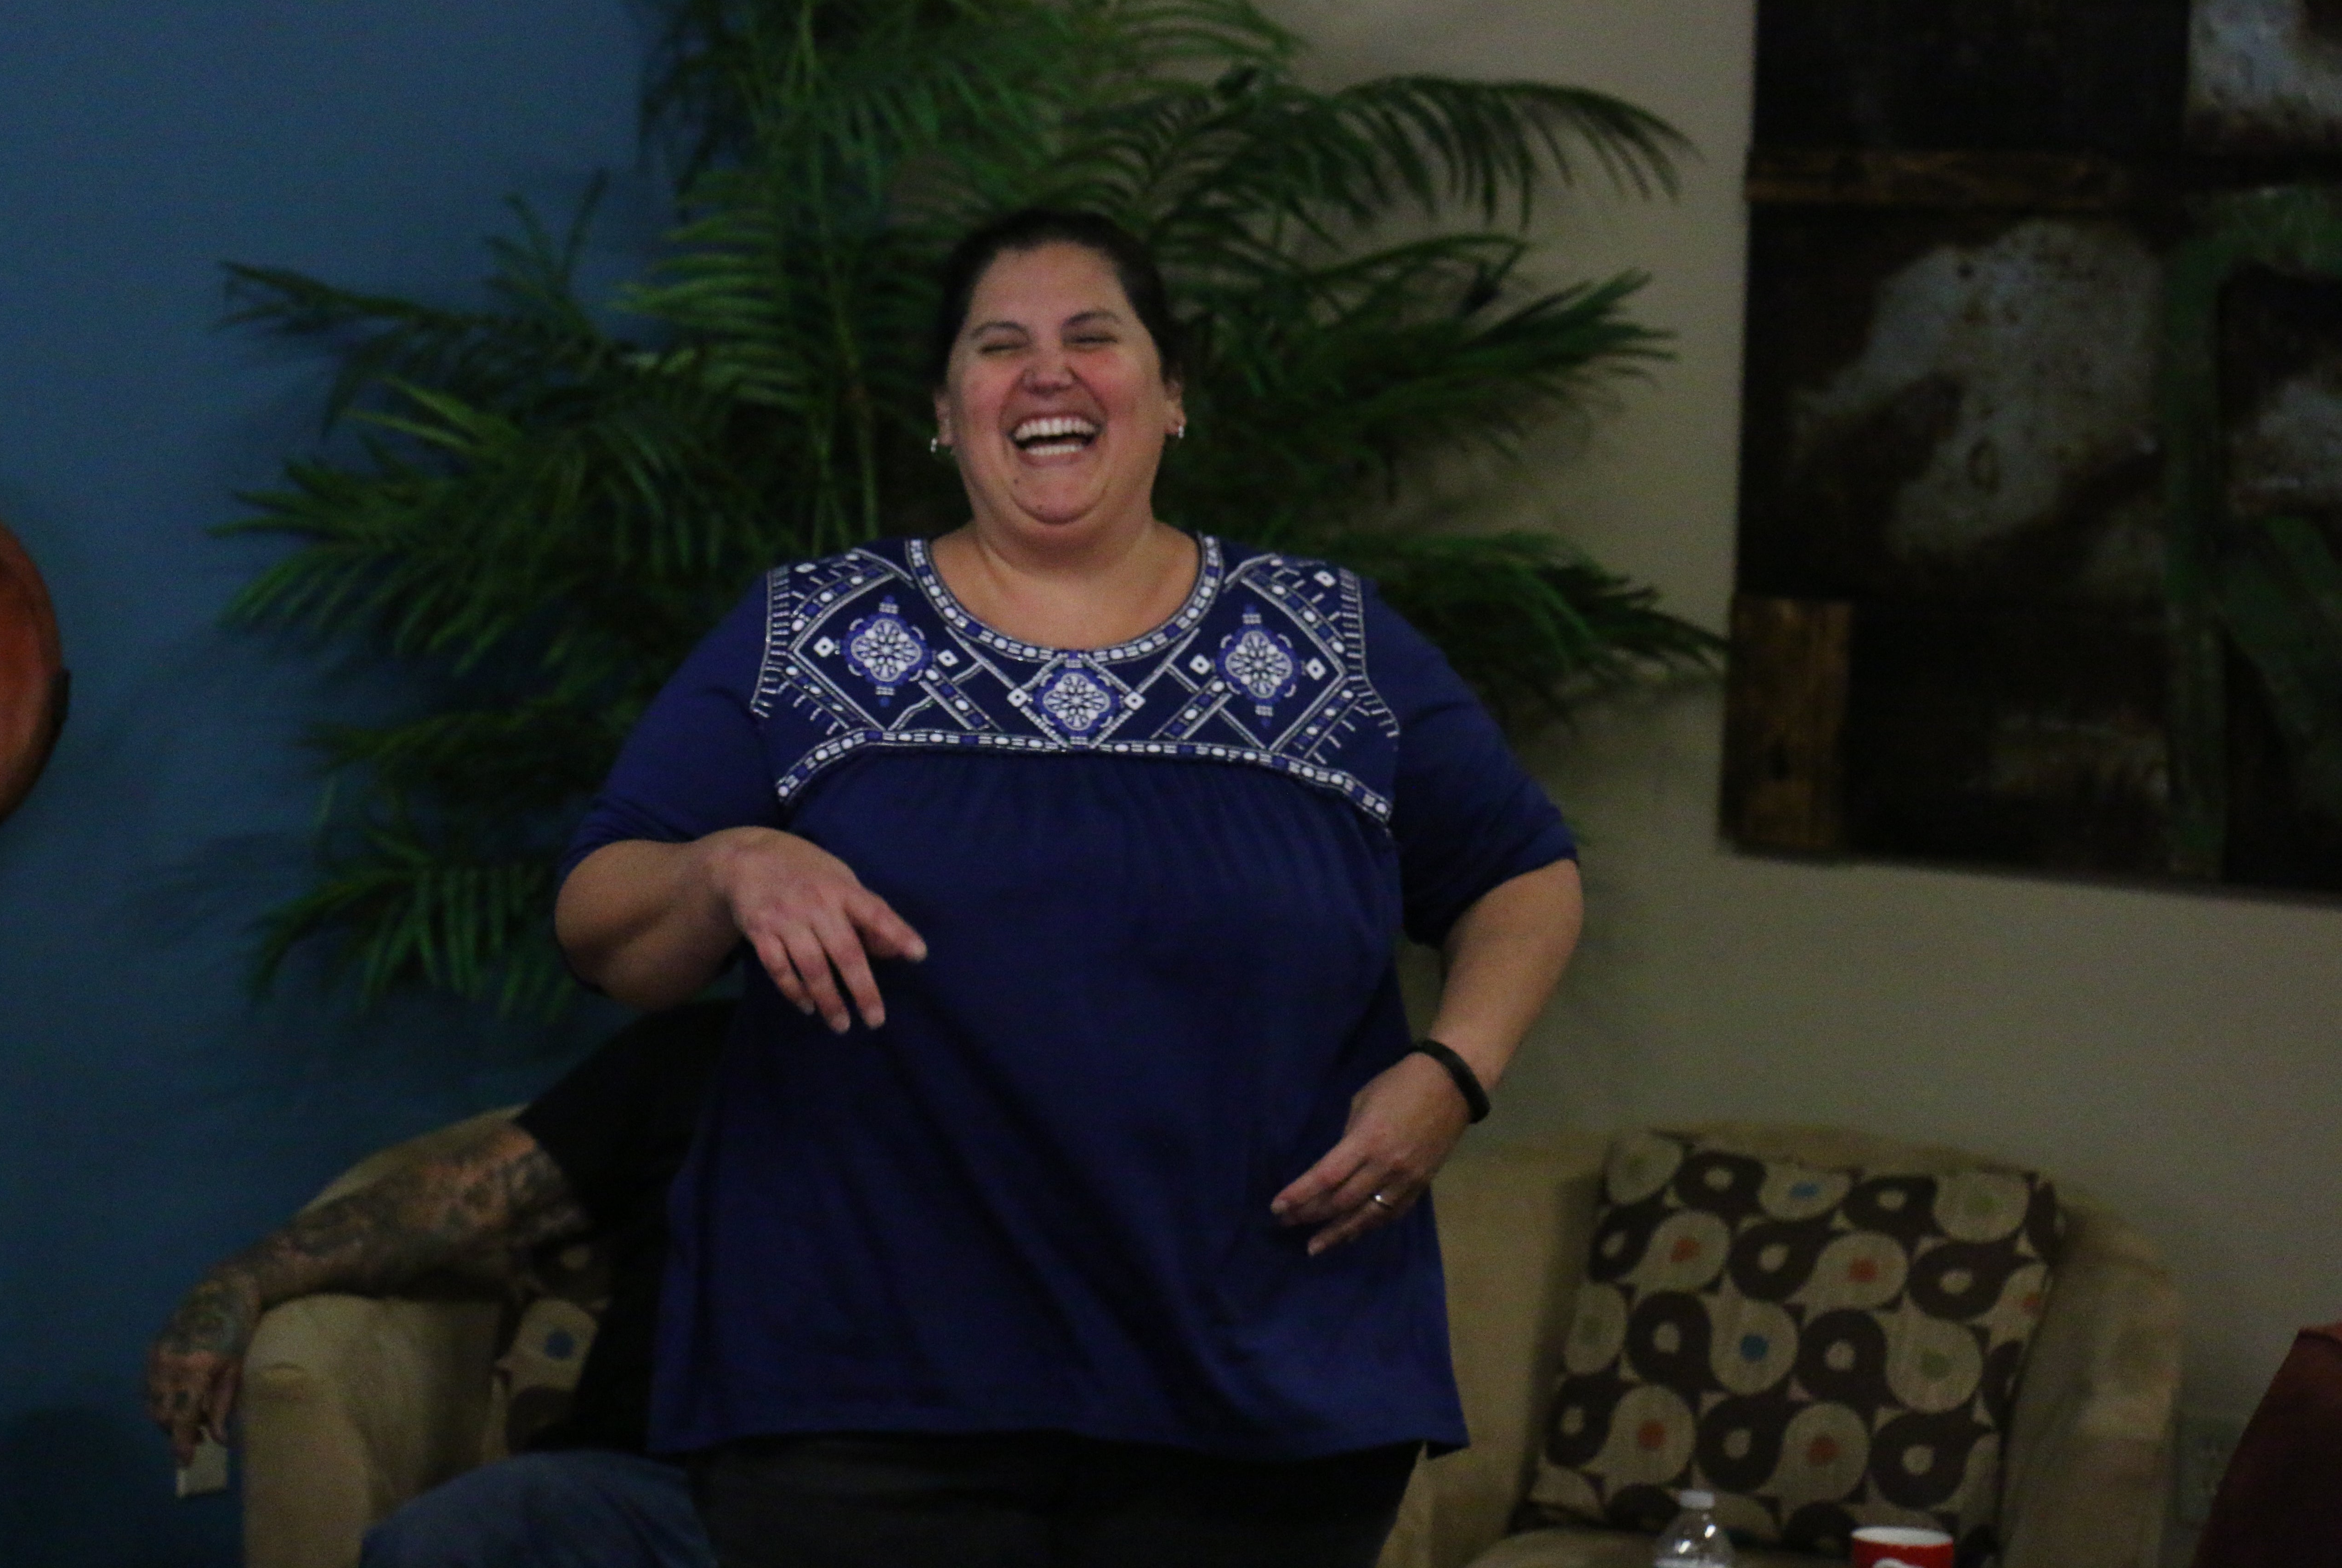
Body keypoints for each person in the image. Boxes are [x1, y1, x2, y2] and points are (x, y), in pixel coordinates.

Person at [555, 208, 1586, 1568]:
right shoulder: (811, 633)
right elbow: (603, 922)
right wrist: (725, 862)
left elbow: (1523, 873)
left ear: (1170, 396)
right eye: (1000, 347)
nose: (1047, 372)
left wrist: (1454, 1072)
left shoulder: (1329, 642)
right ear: (946, 414)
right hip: (863, 1397)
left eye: (1093, 337)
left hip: (1262, 1390)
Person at [142, 1004, 730, 1568]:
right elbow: (447, 1205)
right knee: (455, 1532)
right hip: (646, 1489)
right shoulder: (691, 1055)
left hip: (788, 1498)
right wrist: (236, 1284)